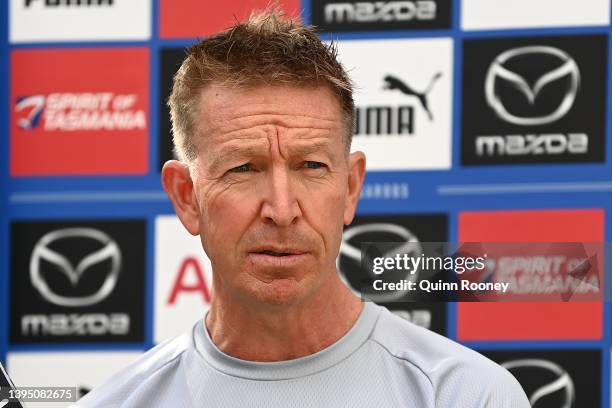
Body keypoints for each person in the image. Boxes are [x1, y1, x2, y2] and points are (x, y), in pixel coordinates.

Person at [74, 9, 529, 408]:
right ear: (186, 197)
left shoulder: (465, 395)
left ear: (350, 188)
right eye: (243, 168)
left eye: (311, 165)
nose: (282, 208)